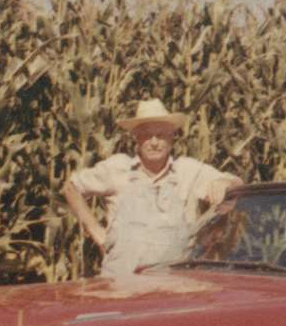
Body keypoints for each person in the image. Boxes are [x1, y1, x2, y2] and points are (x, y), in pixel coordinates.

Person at [62, 99, 243, 277]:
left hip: (172, 289)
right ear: (136, 137)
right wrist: (98, 233)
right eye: (147, 135)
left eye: (161, 134)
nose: (154, 142)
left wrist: (224, 183)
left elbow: (237, 184)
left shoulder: (188, 171)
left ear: (172, 136)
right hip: (119, 286)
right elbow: (71, 188)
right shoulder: (117, 168)